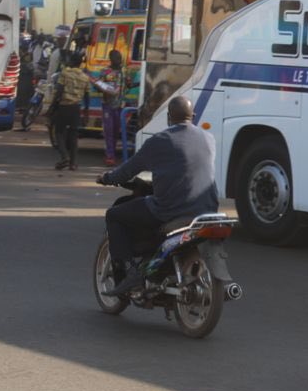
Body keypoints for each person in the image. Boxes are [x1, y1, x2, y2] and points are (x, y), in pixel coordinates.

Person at [96, 95, 219, 296]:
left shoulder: (159, 141)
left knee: (114, 215)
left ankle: (129, 273)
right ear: (194, 116)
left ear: (169, 117)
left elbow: (127, 171)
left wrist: (107, 178)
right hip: (208, 209)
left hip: (171, 210)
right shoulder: (209, 138)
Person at [49, 50, 91, 171]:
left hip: (64, 106)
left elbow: (59, 90)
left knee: (59, 133)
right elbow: (87, 96)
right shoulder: (85, 77)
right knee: (73, 136)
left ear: (71, 61)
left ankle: (64, 156)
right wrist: (86, 111)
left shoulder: (65, 73)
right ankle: (73, 163)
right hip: (76, 108)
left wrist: (52, 106)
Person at [96, 49, 126, 166]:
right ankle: (110, 156)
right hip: (107, 105)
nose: (119, 61)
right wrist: (103, 87)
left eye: (120, 58)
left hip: (120, 106)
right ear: (111, 59)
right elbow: (98, 87)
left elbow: (128, 85)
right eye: (116, 59)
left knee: (116, 131)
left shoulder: (123, 71)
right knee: (109, 131)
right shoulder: (105, 72)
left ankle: (111, 153)